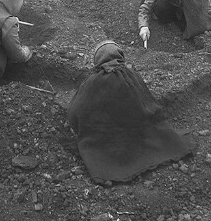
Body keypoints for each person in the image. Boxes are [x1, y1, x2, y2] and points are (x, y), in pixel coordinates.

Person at [66, 40, 197, 183]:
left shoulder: (92, 82)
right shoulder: (132, 75)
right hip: (143, 134)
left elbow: (75, 110)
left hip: (111, 142)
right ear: (119, 54)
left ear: (97, 60)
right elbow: (149, 103)